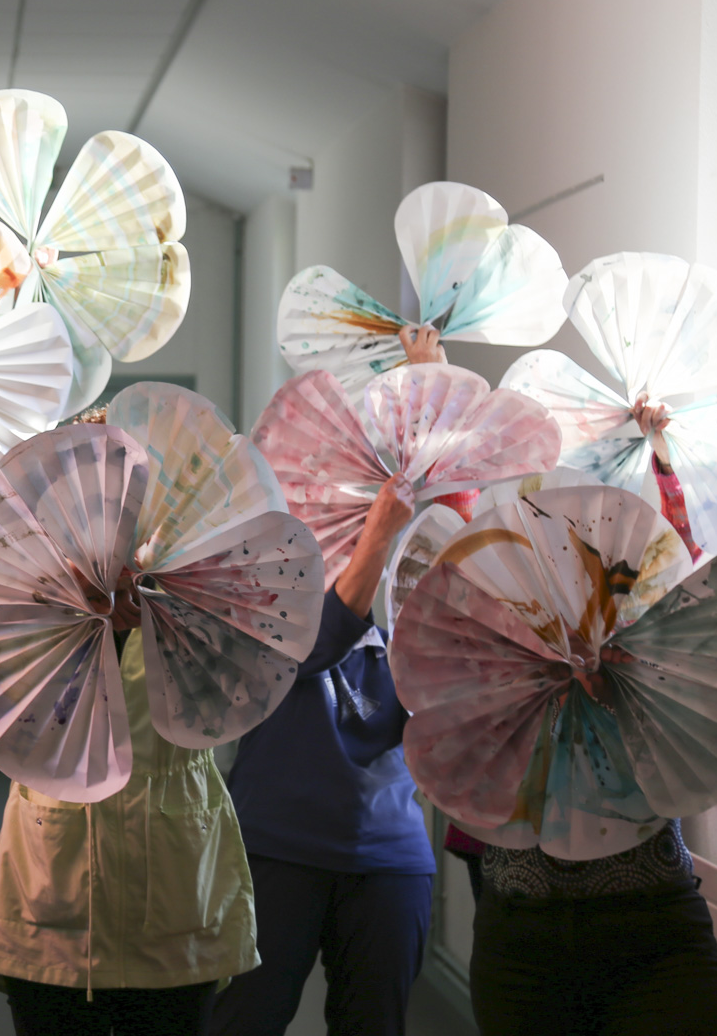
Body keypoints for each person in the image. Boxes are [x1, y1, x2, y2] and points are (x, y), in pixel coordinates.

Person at [0, 408, 258, 1036]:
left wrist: (163, 609)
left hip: (174, 892)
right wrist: (56, 599)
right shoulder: (32, 585)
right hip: (55, 904)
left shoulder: (196, 588)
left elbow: (250, 662)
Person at [465, 398, 717, 1036]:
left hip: (652, 917)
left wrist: (661, 457)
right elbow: (447, 567)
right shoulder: (490, 627)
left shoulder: (635, 620)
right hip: (524, 934)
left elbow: (680, 568)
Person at [213, 325, 442, 1036]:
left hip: (390, 850)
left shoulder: (415, 583)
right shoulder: (265, 570)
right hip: (278, 841)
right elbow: (309, 647)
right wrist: (374, 539)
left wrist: (434, 391)